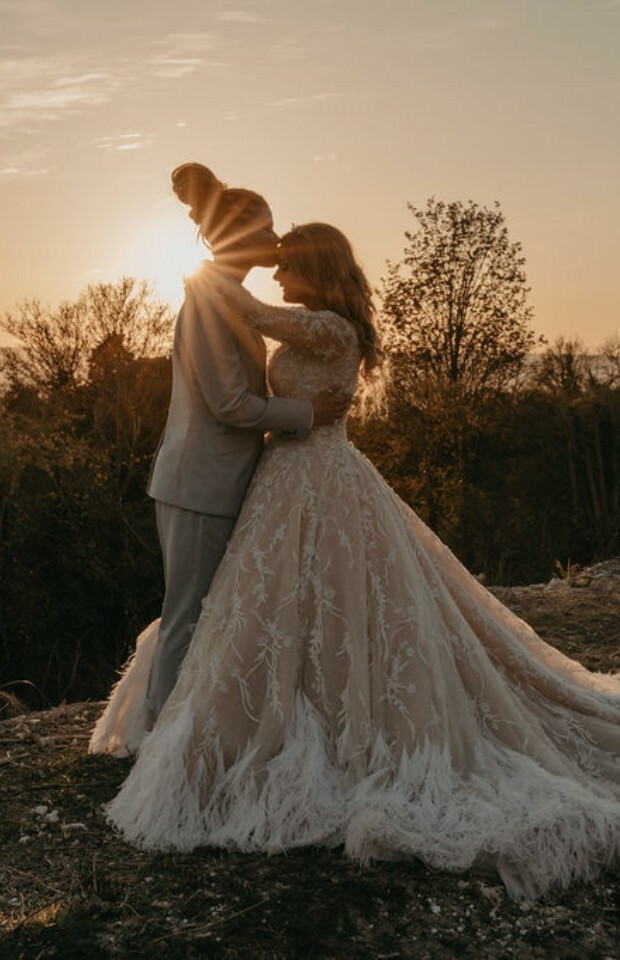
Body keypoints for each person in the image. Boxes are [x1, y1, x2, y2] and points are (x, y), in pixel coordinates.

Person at [91, 222, 620, 901]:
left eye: (287, 264)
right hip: (286, 478)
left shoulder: (331, 328)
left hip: (320, 479)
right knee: (282, 605)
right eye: (274, 263)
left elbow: (248, 310)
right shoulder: (323, 325)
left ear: (315, 268)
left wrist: (211, 253)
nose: (276, 274)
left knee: (334, 598)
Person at [138, 165, 349, 724]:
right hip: (199, 483)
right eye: (267, 230)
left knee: (212, 614)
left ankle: (192, 730)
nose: (277, 241)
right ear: (239, 237)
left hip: (222, 481)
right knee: (188, 616)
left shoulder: (226, 297)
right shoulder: (210, 303)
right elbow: (229, 404)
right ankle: (157, 740)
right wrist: (308, 412)